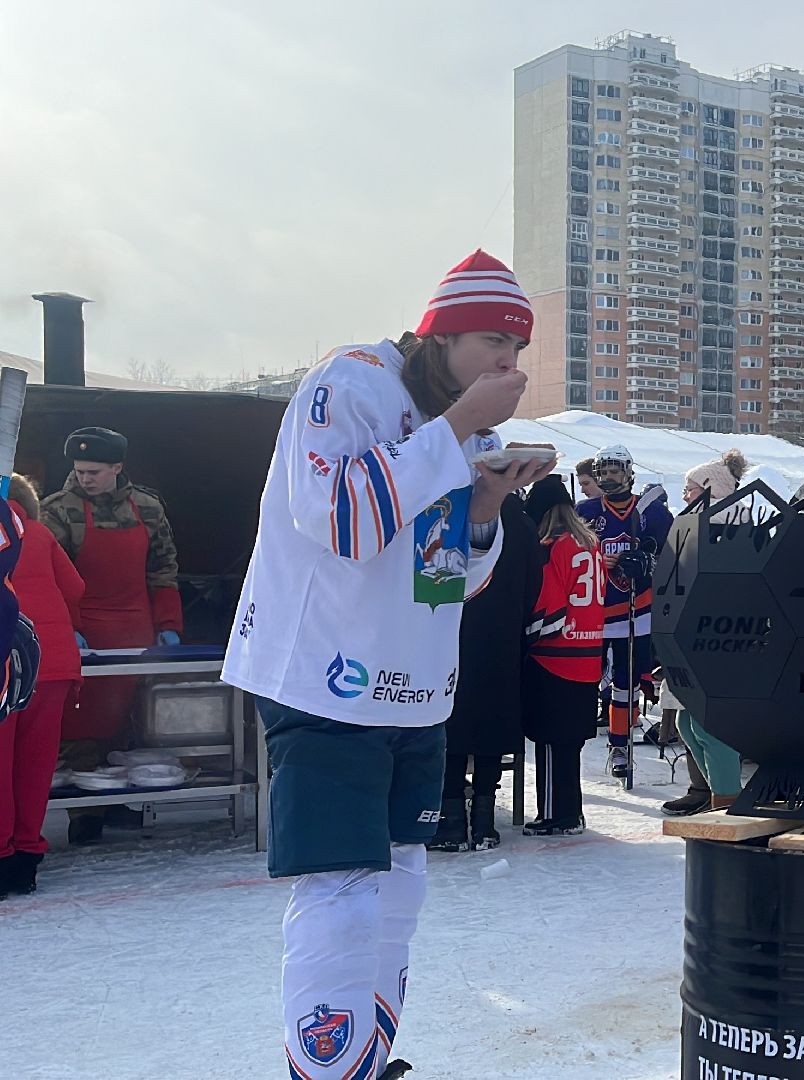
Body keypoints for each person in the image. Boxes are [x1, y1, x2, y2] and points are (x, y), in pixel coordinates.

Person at [221, 249, 553, 1080]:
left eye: (517, 354)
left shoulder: (472, 429)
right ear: (440, 335)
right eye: (491, 345)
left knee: (400, 887)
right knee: (343, 892)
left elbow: (453, 581)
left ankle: (366, 1060)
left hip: (414, 690)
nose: (507, 368)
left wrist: (483, 508)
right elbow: (340, 518)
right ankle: (325, 1071)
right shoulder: (352, 382)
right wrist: (450, 436)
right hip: (323, 679)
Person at [41, 426, 183, 844]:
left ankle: (120, 799)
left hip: (137, 628)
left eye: (95, 471)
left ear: (118, 469)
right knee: (82, 725)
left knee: (129, 720)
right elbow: (51, 580)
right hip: (86, 628)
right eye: (80, 470)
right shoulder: (57, 511)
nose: (85, 478)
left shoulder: (148, 508)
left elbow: (163, 569)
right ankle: (85, 813)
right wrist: (69, 629)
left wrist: (169, 626)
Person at [429, 488, 540, 853]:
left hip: (453, 638)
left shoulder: (451, 518)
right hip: (504, 643)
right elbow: (534, 589)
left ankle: (451, 821)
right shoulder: (523, 526)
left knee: (452, 725)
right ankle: (484, 821)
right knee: (493, 728)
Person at [0, 476, 80, 898]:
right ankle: (25, 862)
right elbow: (76, 588)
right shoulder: (41, 533)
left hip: (5, 664)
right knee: (34, 766)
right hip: (51, 664)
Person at [661, 450, 753, 816]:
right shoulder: (696, 524)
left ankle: (729, 799)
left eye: (689, 489)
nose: (684, 495)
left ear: (709, 489)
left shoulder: (729, 525)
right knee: (686, 720)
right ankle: (720, 793)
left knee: (709, 723)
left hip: (719, 638)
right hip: (691, 635)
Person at [577, 445, 672, 780]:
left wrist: (647, 564)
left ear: (629, 472)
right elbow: (571, 557)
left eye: (613, 472)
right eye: (601, 472)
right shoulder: (585, 511)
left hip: (637, 612)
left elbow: (673, 561)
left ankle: (620, 744)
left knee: (626, 683)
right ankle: (578, 742)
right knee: (590, 679)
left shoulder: (652, 514)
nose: (606, 478)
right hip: (597, 613)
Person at [520, 476, 605, 836]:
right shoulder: (590, 543)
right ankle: (572, 810)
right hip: (589, 653)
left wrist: (521, 636)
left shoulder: (554, 547)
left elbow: (549, 610)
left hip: (556, 656)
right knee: (570, 744)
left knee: (553, 741)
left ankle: (558, 814)